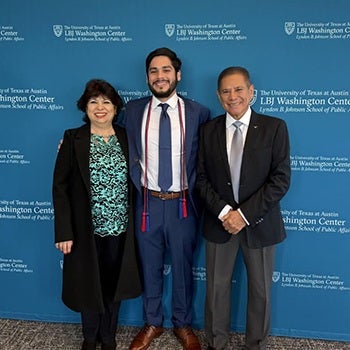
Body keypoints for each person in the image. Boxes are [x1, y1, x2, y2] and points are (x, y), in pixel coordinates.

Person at [196, 67, 291, 350]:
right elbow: (200, 178)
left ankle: (256, 344)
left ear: (251, 92)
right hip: (219, 222)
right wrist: (226, 214)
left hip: (260, 224)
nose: (232, 96)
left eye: (239, 89)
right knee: (215, 290)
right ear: (218, 95)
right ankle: (216, 343)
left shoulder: (275, 127)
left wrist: (244, 215)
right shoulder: (208, 130)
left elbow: (281, 179)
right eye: (226, 91)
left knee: (260, 292)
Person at [124, 47, 210, 350]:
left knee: (184, 267)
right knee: (149, 266)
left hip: (182, 204)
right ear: (147, 76)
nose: (159, 77)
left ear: (178, 74)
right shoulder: (133, 111)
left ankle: (183, 323)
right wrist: (71, 144)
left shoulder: (198, 113)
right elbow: (109, 136)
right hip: (147, 204)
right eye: (153, 71)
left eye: (165, 70)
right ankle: (152, 322)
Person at [53, 79, 142, 350]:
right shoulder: (72, 139)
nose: (100, 107)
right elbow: (60, 187)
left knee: (114, 287)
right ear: (85, 107)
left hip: (121, 229)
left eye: (106, 102)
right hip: (85, 232)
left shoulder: (128, 138)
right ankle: (90, 339)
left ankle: (109, 337)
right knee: (88, 285)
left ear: (116, 107)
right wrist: (64, 231)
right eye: (93, 102)